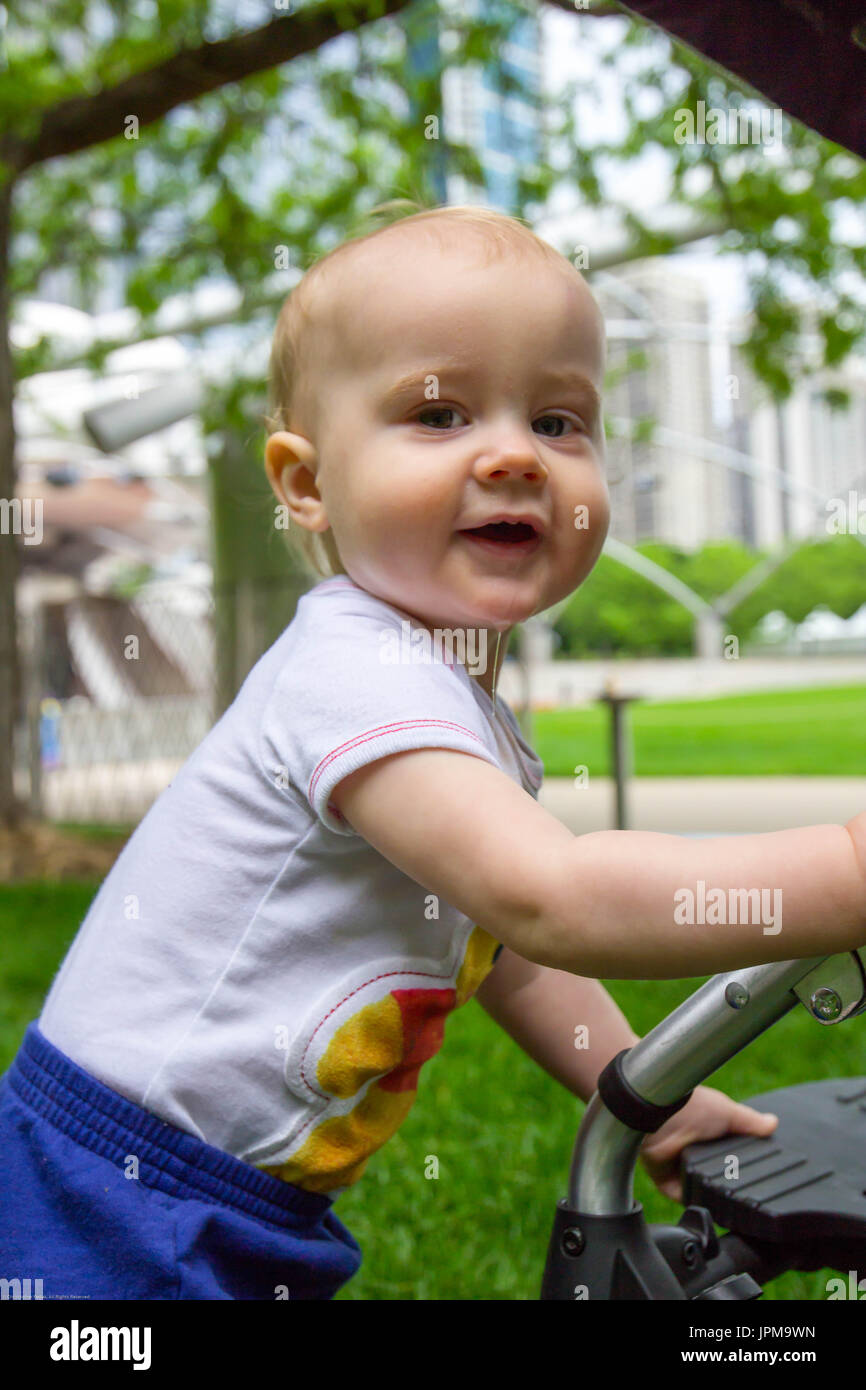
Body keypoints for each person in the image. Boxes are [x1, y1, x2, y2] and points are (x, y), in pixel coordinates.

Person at [1, 205, 864, 1302]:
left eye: (558, 420)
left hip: (212, 1193)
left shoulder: (438, 686)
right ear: (305, 483)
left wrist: (644, 1089)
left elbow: (503, 942)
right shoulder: (354, 676)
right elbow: (551, 899)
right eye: (440, 411)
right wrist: (842, 871)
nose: (511, 454)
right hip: (119, 1196)